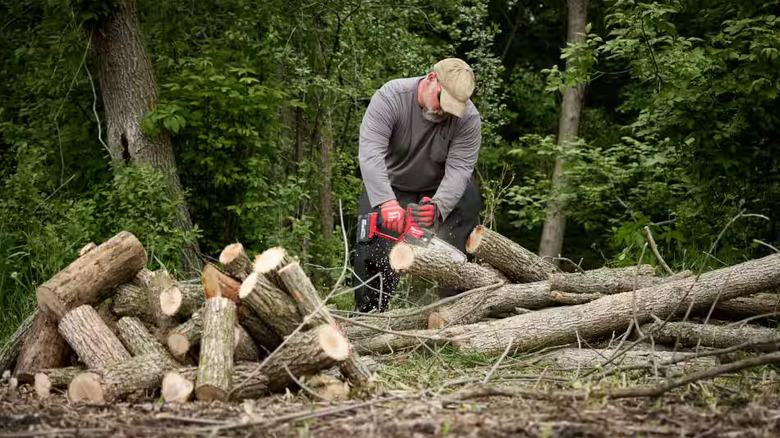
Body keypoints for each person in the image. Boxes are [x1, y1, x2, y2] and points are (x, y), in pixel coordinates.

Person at [353, 58, 483, 313]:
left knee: (468, 199)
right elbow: (370, 153)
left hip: (439, 188)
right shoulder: (391, 96)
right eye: (441, 101)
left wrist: (438, 207)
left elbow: (459, 169)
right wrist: (387, 203)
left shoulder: (468, 118)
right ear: (431, 78)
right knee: (371, 235)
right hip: (392, 185)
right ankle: (370, 316)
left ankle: (455, 312)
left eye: (452, 108)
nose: (443, 111)